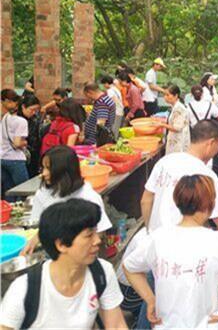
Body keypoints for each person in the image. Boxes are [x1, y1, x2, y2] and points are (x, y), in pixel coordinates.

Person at [125, 175, 218, 329]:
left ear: (177, 202)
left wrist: (150, 300)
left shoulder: (158, 238)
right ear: (210, 204)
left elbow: (129, 268)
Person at [1, 199, 126, 330]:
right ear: (61, 245)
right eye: (89, 235)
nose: (97, 240)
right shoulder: (25, 289)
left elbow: (116, 326)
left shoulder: (102, 272)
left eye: (96, 232)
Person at [140, 119, 218, 237]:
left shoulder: (165, 161)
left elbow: (146, 200)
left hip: (155, 240)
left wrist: (149, 231)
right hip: (181, 244)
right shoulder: (206, 176)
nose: (217, 151)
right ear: (211, 143)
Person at [21, 145, 113, 254]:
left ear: (65, 171)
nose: (44, 173)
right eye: (43, 168)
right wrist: (35, 239)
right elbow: (43, 226)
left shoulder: (89, 197)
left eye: (49, 168)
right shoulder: (43, 193)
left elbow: (100, 231)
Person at [1, 89, 30, 197]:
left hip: (3, 158)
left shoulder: (4, 118)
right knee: (24, 191)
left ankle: (10, 212)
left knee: (9, 191)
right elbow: (17, 143)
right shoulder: (21, 121)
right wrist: (25, 142)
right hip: (16, 159)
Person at [159, 85, 190, 154]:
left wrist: (161, 124)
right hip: (175, 140)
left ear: (176, 96)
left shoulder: (179, 108)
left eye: (167, 95)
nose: (165, 97)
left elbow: (177, 128)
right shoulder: (174, 107)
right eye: (164, 95)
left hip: (178, 142)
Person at [18, 95, 43, 177]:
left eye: (36, 110)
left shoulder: (34, 118)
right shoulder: (17, 120)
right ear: (23, 107)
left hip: (34, 153)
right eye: (32, 110)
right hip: (22, 155)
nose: (34, 112)